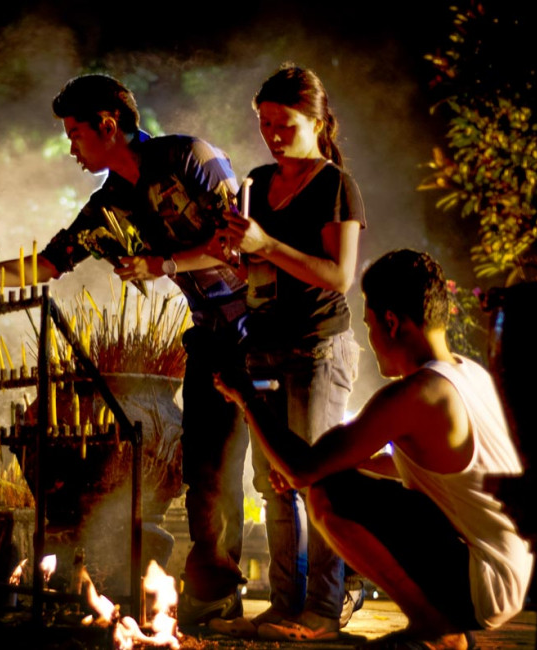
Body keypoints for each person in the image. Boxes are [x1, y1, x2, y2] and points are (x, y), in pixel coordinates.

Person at [0, 73, 252, 625]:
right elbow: (47, 265)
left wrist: (160, 264)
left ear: (108, 124)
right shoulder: (109, 207)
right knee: (206, 473)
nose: (72, 148)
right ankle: (215, 596)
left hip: (265, 327)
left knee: (271, 472)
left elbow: (236, 242)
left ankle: (306, 599)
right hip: (211, 337)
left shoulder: (188, 157)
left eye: (76, 134)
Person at [213, 249, 535, 650]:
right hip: (509, 572)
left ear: (391, 322)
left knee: (328, 494)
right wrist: (343, 462)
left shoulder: (414, 394)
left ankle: (436, 629)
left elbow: (301, 470)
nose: (369, 338)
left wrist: (247, 397)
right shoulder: (469, 376)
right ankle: (442, 625)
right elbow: (426, 468)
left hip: (481, 583)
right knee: (337, 477)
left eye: (367, 325)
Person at [211, 63, 366, 642]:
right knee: (272, 481)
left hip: (318, 347)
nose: (273, 135)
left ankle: (323, 611)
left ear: (318, 121)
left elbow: (339, 275)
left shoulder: (334, 185)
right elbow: (253, 264)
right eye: (265, 123)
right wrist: (238, 253)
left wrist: (266, 244)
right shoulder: (256, 179)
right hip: (265, 345)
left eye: (285, 124)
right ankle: (284, 605)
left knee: (316, 481)